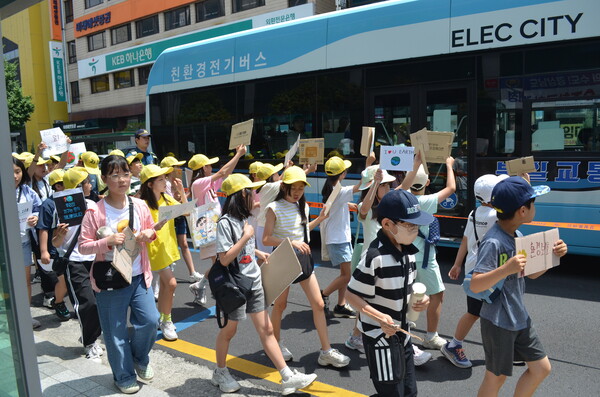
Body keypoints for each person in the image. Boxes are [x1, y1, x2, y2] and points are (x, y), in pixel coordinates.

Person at [211, 174, 317, 395]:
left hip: (254, 281)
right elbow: (224, 259)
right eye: (251, 192)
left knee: (267, 330)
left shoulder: (244, 220)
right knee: (229, 331)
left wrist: (257, 250)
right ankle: (220, 372)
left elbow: (245, 250)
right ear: (241, 195)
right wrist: (245, 238)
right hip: (236, 286)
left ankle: (286, 376)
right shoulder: (226, 223)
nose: (255, 197)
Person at [470, 176, 567, 397]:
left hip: (519, 317)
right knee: (496, 377)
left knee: (541, 368)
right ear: (522, 211)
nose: (535, 207)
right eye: (533, 203)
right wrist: (505, 269)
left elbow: (531, 274)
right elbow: (476, 284)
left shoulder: (518, 235)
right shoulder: (493, 241)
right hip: (497, 321)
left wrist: (553, 256)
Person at [78, 155, 161, 394]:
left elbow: (150, 231)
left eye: (125, 173)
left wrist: (148, 235)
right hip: (110, 280)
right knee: (115, 333)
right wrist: (107, 241)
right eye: (114, 175)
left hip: (138, 276)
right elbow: (83, 246)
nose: (121, 179)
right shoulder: (95, 211)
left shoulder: (140, 205)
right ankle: (123, 375)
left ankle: (139, 358)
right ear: (104, 179)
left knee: (150, 321)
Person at [346, 189, 432, 397]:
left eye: (416, 226)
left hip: (403, 334)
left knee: (409, 391)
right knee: (391, 391)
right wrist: (379, 317)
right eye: (409, 225)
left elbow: (407, 289)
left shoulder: (408, 252)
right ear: (387, 224)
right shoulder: (374, 256)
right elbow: (351, 295)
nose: (415, 231)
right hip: (380, 337)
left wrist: (420, 301)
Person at [263, 166, 350, 368]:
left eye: (301, 188)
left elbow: (302, 230)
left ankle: (326, 351)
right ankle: (276, 344)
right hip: (284, 259)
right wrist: (291, 242)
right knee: (280, 306)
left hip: (303, 258)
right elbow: (266, 239)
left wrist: (319, 220)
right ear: (284, 186)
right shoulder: (273, 208)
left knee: (319, 304)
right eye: (293, 188)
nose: (297, 192)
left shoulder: (303, 206)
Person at [443, 174, 507, 368]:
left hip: (474, 268)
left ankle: (505, 350)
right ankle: (454, 345)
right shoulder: (497, 215)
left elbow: (465, 240)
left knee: (484, 310)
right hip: (488, 271)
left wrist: (457, 264)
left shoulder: (474, 213)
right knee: (477, 312)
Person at [51, 167, 103, 362]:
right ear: (77, 187)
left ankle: (91, 336)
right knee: (86, 302)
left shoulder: (92, 205)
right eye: (86, 182)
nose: (90, 184)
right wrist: (59, 235)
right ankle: (90, 343)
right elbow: (56, 244)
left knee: (98, 302)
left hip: (95, 259)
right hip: (74, 261)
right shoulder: (60, 209)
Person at [188, 145, 246, 305]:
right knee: (221, 264)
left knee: (220, 264)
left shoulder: (208, 185)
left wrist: (238, 157)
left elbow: (225, 173)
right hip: (209, 230)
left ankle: (201, 286)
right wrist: (239, 154)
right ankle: (222, 296)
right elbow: (221, 172)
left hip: (215, 230)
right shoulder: (198, 183)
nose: (211, 168)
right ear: (203, 167)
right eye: (209, 165)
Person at [409, 158, 455, 350]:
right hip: (426, 258)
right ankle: (431, 336)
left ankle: (405, 325)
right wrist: (449, 166)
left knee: (406, 292)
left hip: (406, 256)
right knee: (436, 294)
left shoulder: (402, 198)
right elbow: (451, 188)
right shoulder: (427, 201)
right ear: (427, 182)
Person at [139, 164, 181, 341]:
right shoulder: (142, 204)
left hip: (168, 247)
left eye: (165, 179)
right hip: (154, 249)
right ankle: (167, 321)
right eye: (161, 180)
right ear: (149, 184)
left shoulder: (167, 199)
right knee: (171, 284)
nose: (165, 182)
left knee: (165, 286)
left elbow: (185, 210)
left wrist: (181, 191)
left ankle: (161, 318)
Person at [320, 156, 361, 319]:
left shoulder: (332, 188)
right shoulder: (340, 191)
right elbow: (361, 186)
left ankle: (341, 305)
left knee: (345, 274)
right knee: (347, 275)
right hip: (338, 239)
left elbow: (337, 204)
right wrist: (370, 167)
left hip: (337, 237)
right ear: (342, 174)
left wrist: (347, 205)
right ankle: (323, 294)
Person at [36, 169, 72, 322]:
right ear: (58, 186)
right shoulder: (48, 205)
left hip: (73, 247)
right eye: (67, 184)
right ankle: (58, 302)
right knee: (62, 280)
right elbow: (43, 228)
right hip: (56, 249)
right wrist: (44, 251)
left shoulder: (72, 200)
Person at [13, 156, 42, 329]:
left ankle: (26, 316)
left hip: (23, 242)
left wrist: (34, 218)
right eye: (11, 172)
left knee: (25, 282)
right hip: (5, 245)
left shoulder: (28, 191)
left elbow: (38, 208)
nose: (15, 176)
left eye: (17, 172)